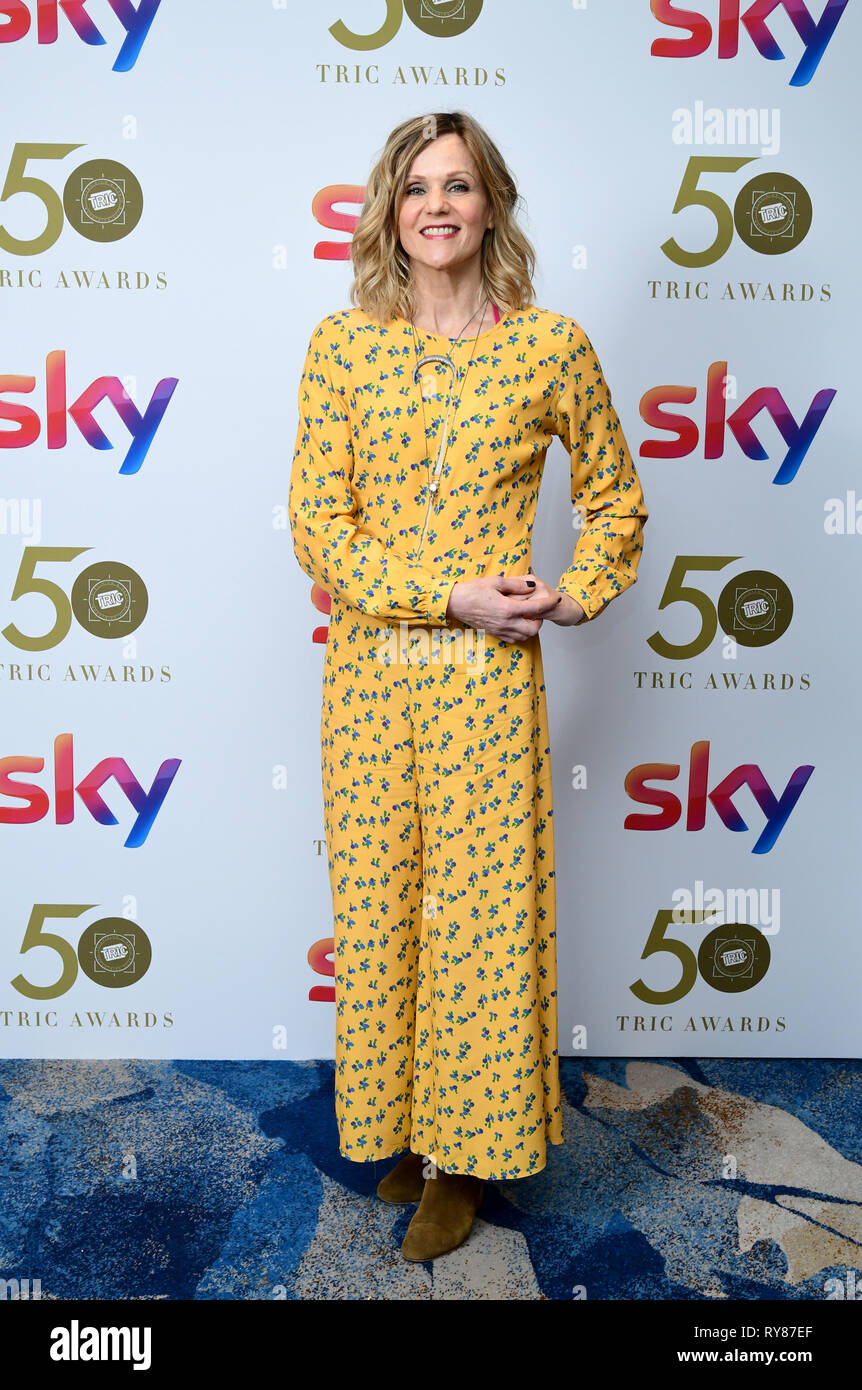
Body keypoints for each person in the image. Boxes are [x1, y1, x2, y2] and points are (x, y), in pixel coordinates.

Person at [289, 110, 648, 1262]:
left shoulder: (550, 347)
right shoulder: (341, 348)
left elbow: (617, 499)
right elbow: (315, 529)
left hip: (489, 689)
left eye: (458, 185)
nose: (436, 205)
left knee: (481, 927)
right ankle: (402, 1125)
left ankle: (464, 1157)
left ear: (491, 204)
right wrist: (451, 596)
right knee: (384, 912)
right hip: (370, 683)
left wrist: (578, 593)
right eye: (414, 187)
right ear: (388, 211)